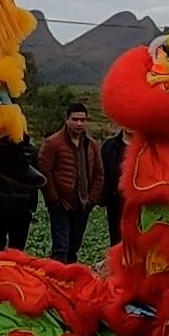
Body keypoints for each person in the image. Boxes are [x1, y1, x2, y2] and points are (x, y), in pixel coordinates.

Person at [38, 103, 104, 263]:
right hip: (62, 203)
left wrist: (93, 199)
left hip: (83, 203)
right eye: (75, 119)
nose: (79, 123)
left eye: (83, 120)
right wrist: (54, 199)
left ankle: (71, 282)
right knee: (61, 247)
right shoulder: (53, 143)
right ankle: (55, 281)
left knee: (74, 246)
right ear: (67, 119)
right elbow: (44, 172)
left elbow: (98, 173)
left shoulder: (91, 144)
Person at [0, 136, 42, 252]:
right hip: (1, 206)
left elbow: (36, 179)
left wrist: (32, 205)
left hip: (22, 207)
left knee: (16, 247)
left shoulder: (31, 151)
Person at [99, 128, 128, 248]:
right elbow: (101, 172)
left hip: (139, 203)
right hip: (115, 201)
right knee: (116, 239)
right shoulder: (110, 146)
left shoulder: (147, 145)